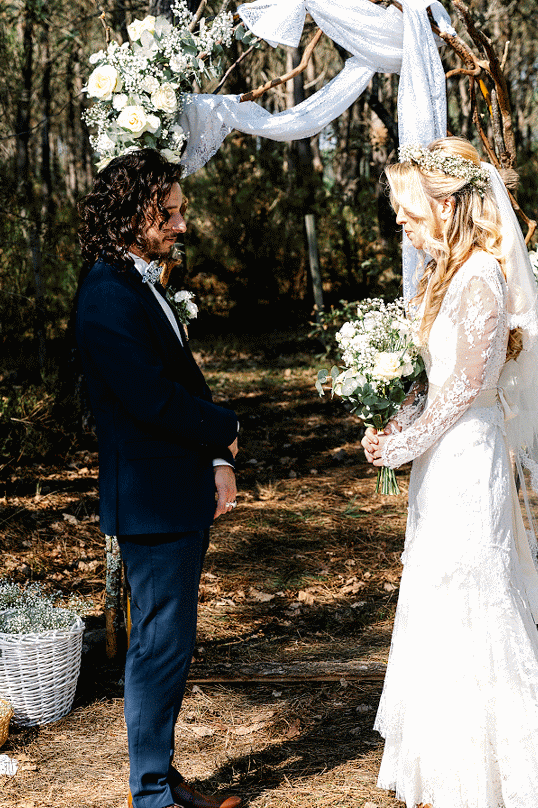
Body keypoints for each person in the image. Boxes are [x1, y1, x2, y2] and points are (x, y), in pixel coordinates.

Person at [361, 136, 538, 808]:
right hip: (442, 459)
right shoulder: (448, 273)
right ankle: (442, 767)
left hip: (470, 459)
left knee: (478, 598)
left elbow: (464, 390)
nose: (401, 221)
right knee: (438, 596)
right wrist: (395, 431)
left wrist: (402, 446)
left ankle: (494, 774)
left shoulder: (484, 278)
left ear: (448, 204)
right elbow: (431, 386)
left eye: (409, 208)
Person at [76, 148, 242, 808]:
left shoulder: (141, 283)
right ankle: (149, 793)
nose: (180, 223)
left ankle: (160, 777)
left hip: (175, 491)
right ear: (129, 215)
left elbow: (181, 382)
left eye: (179, 210)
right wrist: (226, 424)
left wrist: (218, 458)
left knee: (170, 645)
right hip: (150, 502)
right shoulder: (107, 296)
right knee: (158, 648)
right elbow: (152, 401)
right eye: (166, 212)